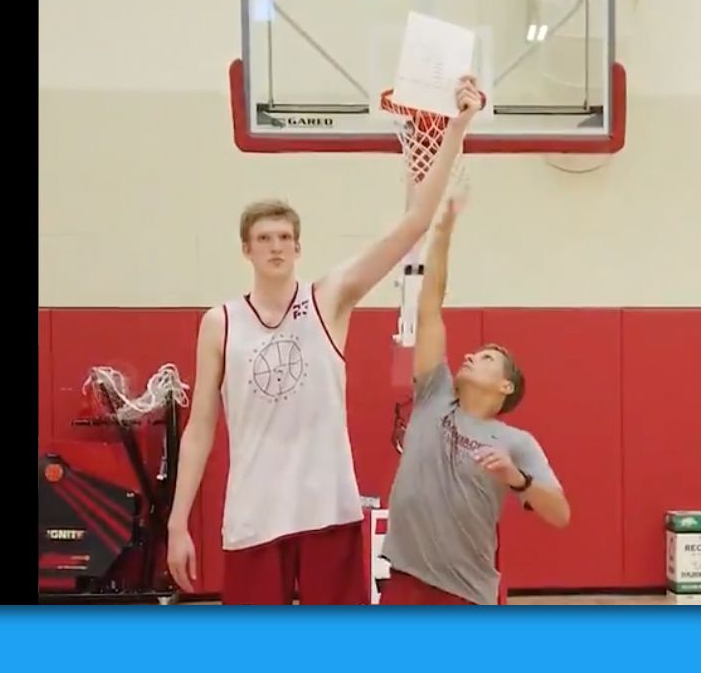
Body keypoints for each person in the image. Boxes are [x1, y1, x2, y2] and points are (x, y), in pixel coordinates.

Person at [164, 74, 484, 604]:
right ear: (246, 250)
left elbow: (414, 222)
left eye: (284, 238)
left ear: (298, 246)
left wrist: (457, 127)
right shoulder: (219, 321)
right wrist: (178, 523)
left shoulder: (329, 298)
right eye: (264, 239)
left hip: (326, 508)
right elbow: (199, 430)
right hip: (253, 515)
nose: (276, 247)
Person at [378, 192, 571, 605]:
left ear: (505, 387)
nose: (470, 356)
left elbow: (560, 514)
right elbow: (430, 307)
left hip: (466, 593)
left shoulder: (516, 443)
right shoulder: (433, 396)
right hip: (406, 579)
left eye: (486, 359)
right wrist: (443, 232)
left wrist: (517, 480)